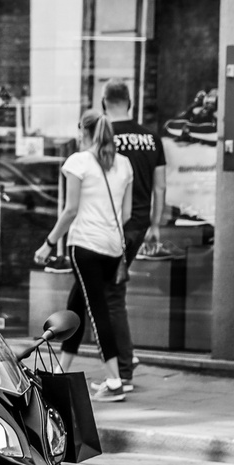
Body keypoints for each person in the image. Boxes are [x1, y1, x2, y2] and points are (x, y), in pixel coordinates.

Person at [36, 110, 134, 401]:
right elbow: (126, 214)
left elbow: (70, 210)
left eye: (79, 130)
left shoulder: (78, 162)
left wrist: (48, 243)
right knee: (76, 306)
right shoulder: (124, 164)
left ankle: (115, 381)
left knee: (96, 310)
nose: (78, 135)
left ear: (85, 131)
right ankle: (60, 372)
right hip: (112, 248)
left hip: (85, 247)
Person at [101, 79, 167, 393]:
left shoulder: (103, 137)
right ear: (130, 102)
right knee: (113, 293)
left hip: (110, 225)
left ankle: (123, 372)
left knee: (111, 298)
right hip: (138, 224)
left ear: (104, 103)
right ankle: (126, 357)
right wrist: (155, 224)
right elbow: (160, 186)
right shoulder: (151, 138)